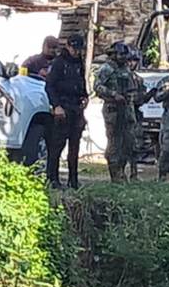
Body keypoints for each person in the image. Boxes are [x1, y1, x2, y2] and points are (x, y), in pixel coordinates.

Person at [94, 41, 149, 182]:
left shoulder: (126, 69)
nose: (124, 58)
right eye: (121, 54)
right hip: (113, 110)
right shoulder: (107, 69)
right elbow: (97, 87)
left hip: (128, 109)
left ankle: (123, 171)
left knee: (129, 142)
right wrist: (113, 94)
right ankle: (115, 175)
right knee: (114, 143)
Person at [42, 36, 89, 190]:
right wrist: (56, 106)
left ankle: (73, 180)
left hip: (76, 108)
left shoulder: (78, 62)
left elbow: (81, 82)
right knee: (56, 146)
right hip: (62, 108)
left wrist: (85, 96)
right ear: (68, 46)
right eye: (74, 48)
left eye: (79, 49)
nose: (76, 52)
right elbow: (49, 86)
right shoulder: (58, 63)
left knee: (74, 147)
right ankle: (52, 179)